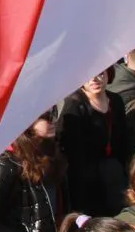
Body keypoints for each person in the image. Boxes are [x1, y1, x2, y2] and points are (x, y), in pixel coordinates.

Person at [54, 69, 127, 218]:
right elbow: (72, 153)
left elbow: (123, 142)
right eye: (88, 76)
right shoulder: (74, 105)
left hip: (114, 176)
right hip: (86, 181)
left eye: (100, 73)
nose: (94, 79)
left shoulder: (116, 101)